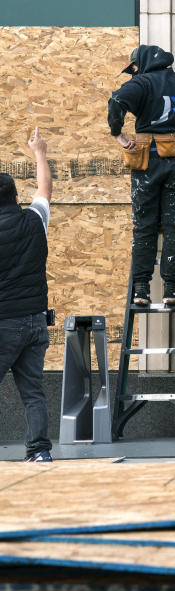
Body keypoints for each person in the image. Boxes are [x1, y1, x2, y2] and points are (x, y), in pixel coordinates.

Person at [108, 45, 175, 306]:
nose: (133, 73)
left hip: (146, 162)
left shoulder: (142, 83)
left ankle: (141, 290)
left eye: (134, 68)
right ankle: (171, 290)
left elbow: (116, 101)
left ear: (141, 63)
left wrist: (118, 134)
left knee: (144, 227)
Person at [0, 127, 55, 462]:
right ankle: (39, 452)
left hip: (4, 323)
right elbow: (45, 188)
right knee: (33, 392)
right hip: (36, 322)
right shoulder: (34, 220)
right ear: (16, 198)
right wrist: (39, 152)